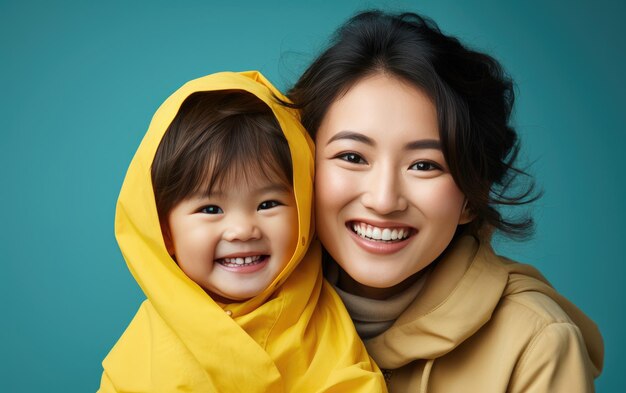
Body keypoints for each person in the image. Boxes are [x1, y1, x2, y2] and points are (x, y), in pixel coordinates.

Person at [287, 10, 604, 392]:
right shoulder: (241, 304)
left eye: (424, 165)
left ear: (472, 195)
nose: (384, 200)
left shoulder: (535, 344)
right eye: (353, 157)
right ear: (300, 165)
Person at [98, 71, 386, 392]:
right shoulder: (142, 355)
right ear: (164, 230)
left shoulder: (322, 325)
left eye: (267, 204)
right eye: (211, 209)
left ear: (305, 210)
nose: (242, 230)